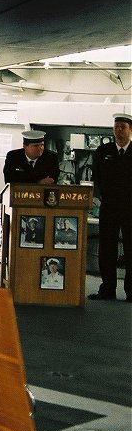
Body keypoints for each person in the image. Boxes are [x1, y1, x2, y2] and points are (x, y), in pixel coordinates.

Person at [89, 113, 131, 301]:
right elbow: (96, 177)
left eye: (122, 126)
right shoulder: (103, 151)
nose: (118, 130)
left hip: (131, 207)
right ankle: (107, 290)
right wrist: (97, 197)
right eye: (116, 127)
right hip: (109, 206)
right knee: (107, 249)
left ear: (130, 130)